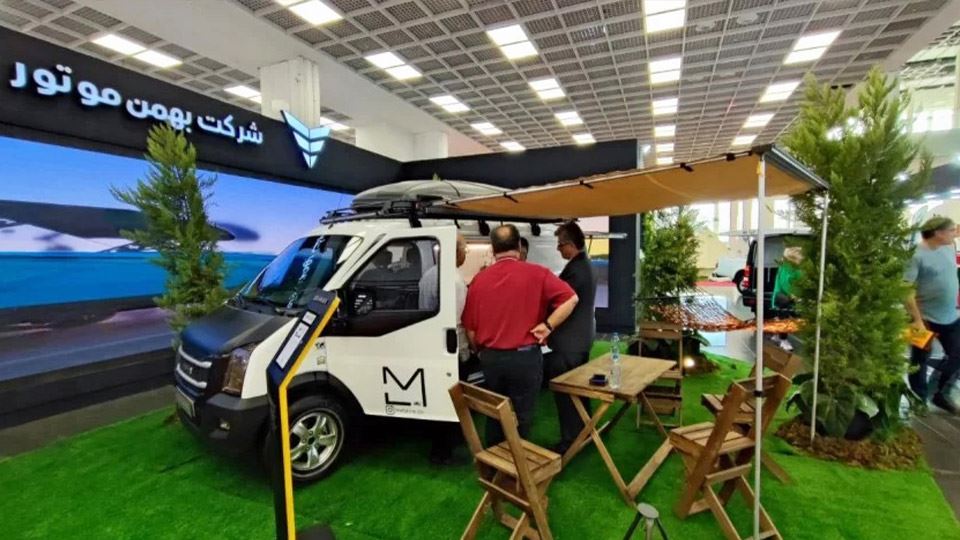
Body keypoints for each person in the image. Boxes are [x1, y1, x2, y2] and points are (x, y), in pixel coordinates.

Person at [462, 224, 579, 445]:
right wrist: (548, 325)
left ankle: (493, 460)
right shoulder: (538, 273)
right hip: (525, 358)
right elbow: (571, 298)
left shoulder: (479, 280)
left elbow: (470, 329)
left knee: (494, 414)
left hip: (491, 359)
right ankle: (516, 460)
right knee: (522, 415)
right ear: (518, 245)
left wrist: (481, 352)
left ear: (493, 248)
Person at [545, 221, 597, 454]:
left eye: (560, 245)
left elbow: (562, 302)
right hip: (579, 340)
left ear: (570, 244)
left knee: (567, 395)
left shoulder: (576, 270)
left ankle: (569, 442)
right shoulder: (585, 265)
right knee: (579, 392)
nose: (558, 249)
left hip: (569, 342)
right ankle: (583, 433)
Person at [420, 233, 471, 464]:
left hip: (431, 345)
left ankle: (443, 444)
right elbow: (458, 319)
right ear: (456, 252)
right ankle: (443, 452)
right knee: (454, 400)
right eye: (465, 250)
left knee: (439, 398)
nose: (465, 255)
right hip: (452, 348)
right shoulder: (455, 280)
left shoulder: (429, 274)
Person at [905, 216, 960, 414]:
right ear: (938, 233)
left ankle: (939, 393)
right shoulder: (915, 255)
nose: (955, 233)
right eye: (952, 230)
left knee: (957, 355)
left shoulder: (949, 245)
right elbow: (906, 290)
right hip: (923, 319)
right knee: (919, 361)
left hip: (950, 316)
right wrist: (917, 320)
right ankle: (918, 399)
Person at [770, 246, 803, 352]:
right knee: (784, 311)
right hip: (781, 295)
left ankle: (777, 333)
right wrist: (794, 296)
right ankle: (783, 340)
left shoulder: (797, 269)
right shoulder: (785, 268)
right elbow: (785, 285)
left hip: (792, 296)